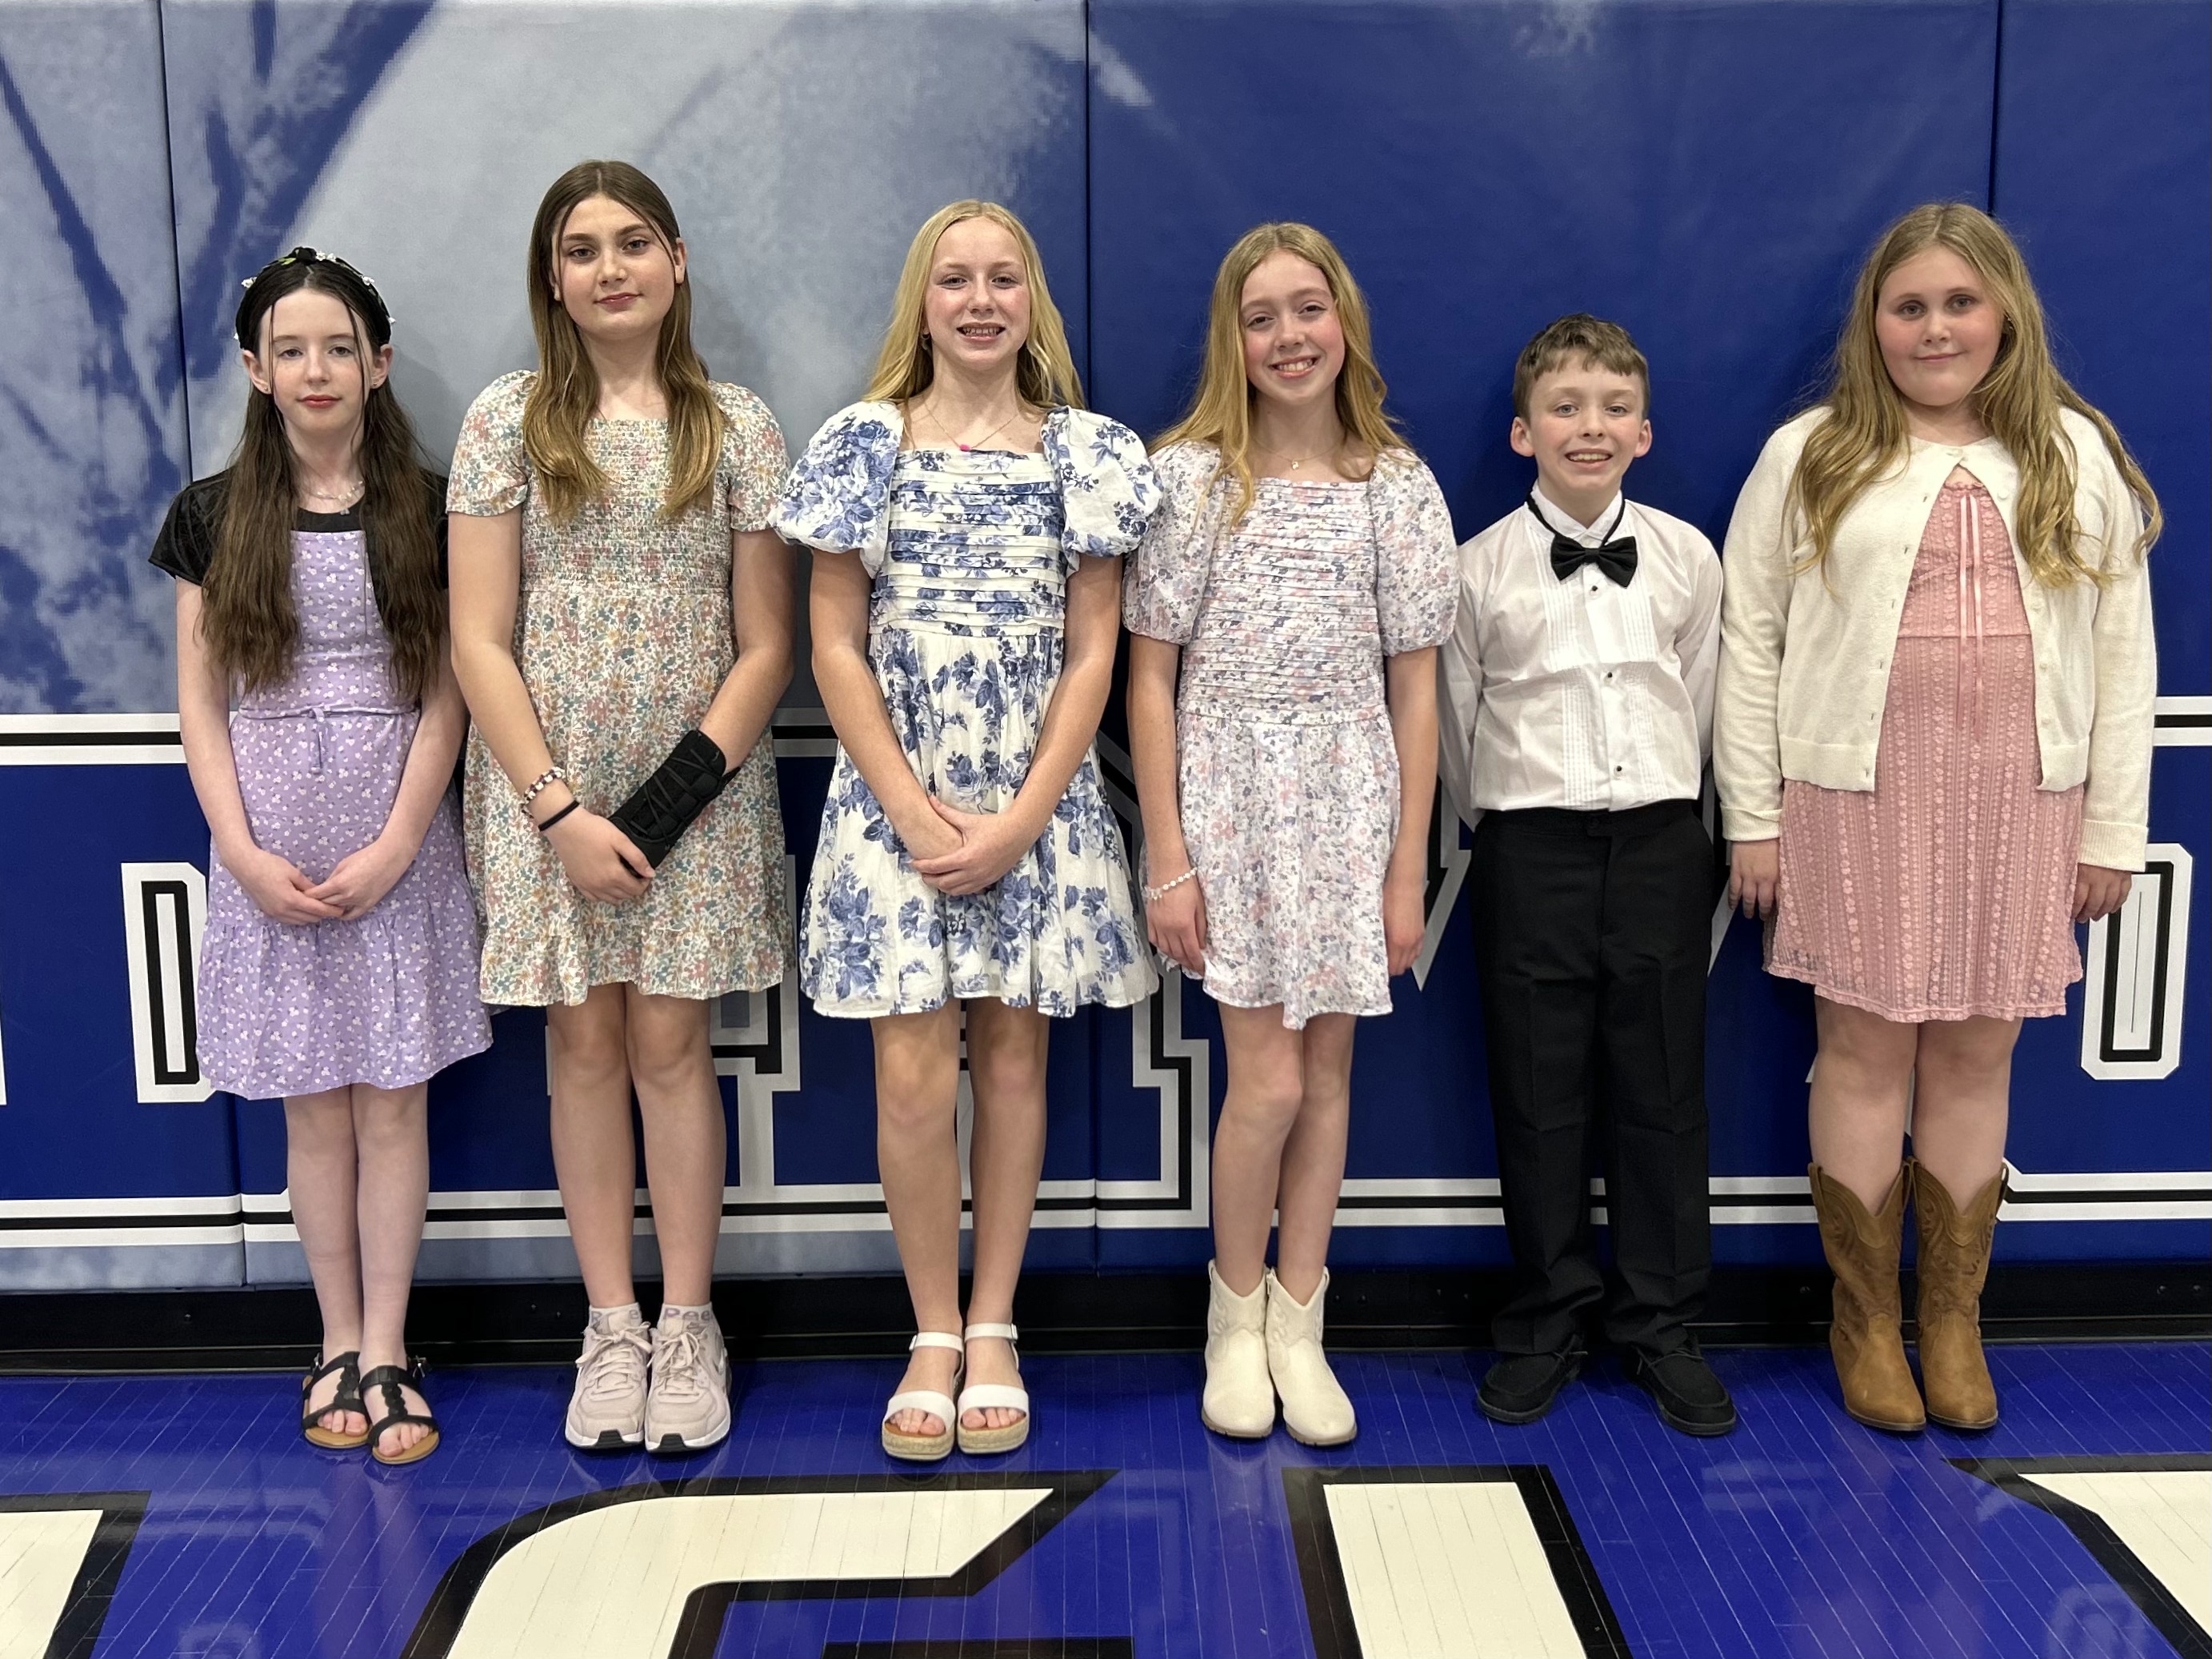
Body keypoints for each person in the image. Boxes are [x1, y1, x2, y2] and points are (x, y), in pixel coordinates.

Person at [1715, 202, 2158, 1433]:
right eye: (1907, 306)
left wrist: (2109, 828)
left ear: (2005, 313)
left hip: (2022, 797)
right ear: (1872, 324)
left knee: (1974, 1052)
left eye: (1959, 303)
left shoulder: (2069, 453)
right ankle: (1864, 1318)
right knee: (1863, 1051)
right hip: (1854, 793)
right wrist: (1751, 814)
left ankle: (1951, 1316)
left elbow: (2122, 649)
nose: (1934, 328)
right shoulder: (1811, 453)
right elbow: (1749, 640)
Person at [777, 200, 1155, 1461]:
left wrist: (1023, 817)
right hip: (897, 799)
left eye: (1002, 277)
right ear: (923, 301)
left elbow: (1094, 648)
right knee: (906, 1073)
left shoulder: (1086, 453)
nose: (980, 300)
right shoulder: (863, 443)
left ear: (1031, 298)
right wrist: (906, 802)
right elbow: (834, 640)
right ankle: (930, 1329)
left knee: (1013, 1063)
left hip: (1032, 800)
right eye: (955, 279)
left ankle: (995, 1323)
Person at [448, 161, 794, 1454]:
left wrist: (653, 814)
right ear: (553, 278)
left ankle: (690, 1322)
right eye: (582, 249)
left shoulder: (736, 425)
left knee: (668, 1046)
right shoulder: (508, 420)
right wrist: (559, 811)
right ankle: (610, 1325)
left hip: (690, 797)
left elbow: (767, 645)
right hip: (548, 786)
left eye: (633, 242)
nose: (610, 268)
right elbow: (478, 638)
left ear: (677, 261)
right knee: (581, 1047)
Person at [1125, 222, 1458, 1447]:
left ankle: (1300, 1321)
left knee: (1326, 1076)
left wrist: (1404, 864)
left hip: (1349, 797)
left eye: (1307, 309)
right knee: (1262, 1077)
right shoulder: (1189, 481)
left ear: (1344, 322)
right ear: (1233, 338)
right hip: (1232, 797)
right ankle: (1232, 1316)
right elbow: (1148, 678)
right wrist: (1168, 853)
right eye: (1260, 316)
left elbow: (1414, 689)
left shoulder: (1396, 487)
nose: (1287, 336)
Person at [157, 246, 490, 1465]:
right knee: (316, 1116)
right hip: (273, 857)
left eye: (337, 347)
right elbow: (201, 705)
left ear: (377, 362)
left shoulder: (431, 508)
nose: (315, 369)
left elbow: (448, 692)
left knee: (393, 1107)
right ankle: (337, 1336)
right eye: (289, 350)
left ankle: (391, 1345)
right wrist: (241, 854)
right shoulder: (211, 517)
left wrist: (401, 839)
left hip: (397, 851)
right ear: (255, 369)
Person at [1438, 314, 1734, 1436]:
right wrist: (1508, 822)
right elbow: (1459, 731)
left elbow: (1697, 701)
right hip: (1528, 849)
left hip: (1660, 841)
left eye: (1614, 408)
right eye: (1564, 408)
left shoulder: (1687, 556)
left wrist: (1665, 810)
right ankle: (1547, 1319)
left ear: (1644, 432)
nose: (1590, 427)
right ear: (1524, 432)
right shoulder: (1475, 570)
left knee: (1663, 1090)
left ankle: (1661, 1324)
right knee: (1538, 1091)